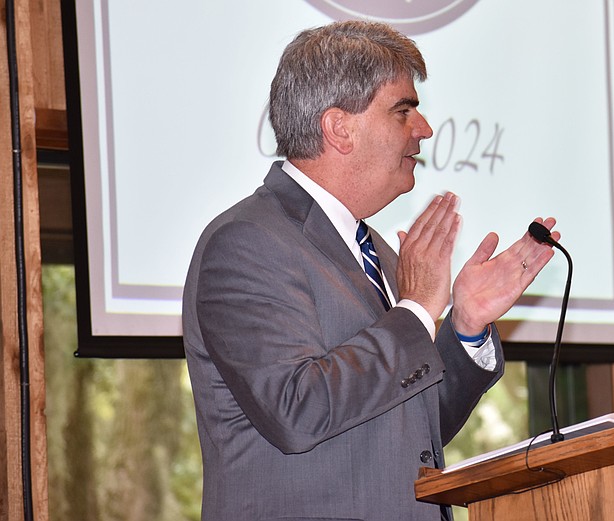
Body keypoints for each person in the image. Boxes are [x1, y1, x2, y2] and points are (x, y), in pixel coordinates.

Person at [182, 20, 559, 521]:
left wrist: (465, 327)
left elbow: (410, 427)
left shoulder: (375, 249)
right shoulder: (246, 243)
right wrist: (417, 310)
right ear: (339, 128)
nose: (424, 129)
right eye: (403, 111)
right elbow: (297, 410)